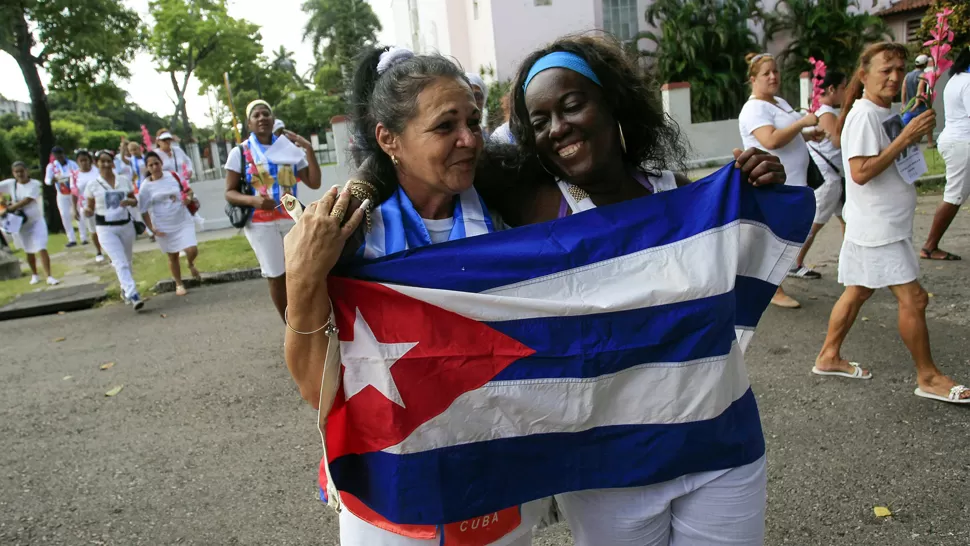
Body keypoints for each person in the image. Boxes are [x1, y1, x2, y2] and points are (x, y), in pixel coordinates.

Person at [501, 34, 780, 546]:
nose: (558, 128)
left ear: (612, 101)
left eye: (572, 104)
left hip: (720, 446)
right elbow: (418, 160)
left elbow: (743, 269)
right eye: (539, 122)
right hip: (609, 471)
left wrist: (763, 185)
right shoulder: (538, 208)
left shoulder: (680, 192)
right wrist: (358, 189)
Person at [284, 46, 549, 546]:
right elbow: (313, 388)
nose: (470, 140)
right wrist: (302, 278)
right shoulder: (349, 237)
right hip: (393, 490)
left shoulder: (508, 223)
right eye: (445, 126)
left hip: (496, 475)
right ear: (389, 139)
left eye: (473, 120)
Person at [813, 42, 970, 404]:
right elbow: (861, 171)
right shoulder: (865, 115)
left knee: (859, 290)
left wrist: (910, 126)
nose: (895, 76)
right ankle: (928, 377)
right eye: (886, 69)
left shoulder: (881, 111)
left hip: (878, 223)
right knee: (914, 299)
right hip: (878, 227)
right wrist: (906, 137)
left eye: (899, 69)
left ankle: (828, 355)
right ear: (864, 75)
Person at [224, 99, 322, 320]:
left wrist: (308, 149)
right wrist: (253, 201)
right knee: (276, 275)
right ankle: (290, 326)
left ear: (272, 118)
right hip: (261, 223)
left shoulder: (288, 148)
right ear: (249, 124)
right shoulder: (240, 153)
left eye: (265, 114)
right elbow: (229, 192)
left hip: (291, 218)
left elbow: (314, 182)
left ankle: (306, 319)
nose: (262, 118)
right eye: (256, 115)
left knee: (300, 271)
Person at [738, 52, 820, 306]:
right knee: (774, 237)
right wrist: (803, 123)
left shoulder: (778, 102)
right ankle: (773, 290)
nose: (773, 76)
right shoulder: (754, 109)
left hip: (793, 180)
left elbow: (786, 138)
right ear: (753, 79)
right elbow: (771, 140)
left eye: (775, 71)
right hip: (773, 182)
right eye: (766, 73)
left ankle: (760, 282)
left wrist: (808, 136)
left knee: (779, 235)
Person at [920, 47, 970, 261]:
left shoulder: (956, 79)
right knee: (954, 196)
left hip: (955, 140)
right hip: (963, 145)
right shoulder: (967, 81)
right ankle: (930, 246)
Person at [83, 150, 144, 311]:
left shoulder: (123, 180)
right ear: (97, 163)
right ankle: (134, 294)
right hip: (105, 227)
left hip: (125, 224)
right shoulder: (93, 185)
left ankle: (125, 289)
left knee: (127, 261)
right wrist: (87, 212)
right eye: (102, 161)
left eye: (108, 161)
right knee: (119, 261)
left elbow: (134, 199)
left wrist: (129, 201)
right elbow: (89, 207)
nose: (106, 164)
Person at [138, 151, 200, 296]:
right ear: (147, 168)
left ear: (161, 163)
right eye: (151, 165)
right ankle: (179, 283)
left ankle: (190, 263)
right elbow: (143, 210)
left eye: (156, 163)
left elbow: (188, 191)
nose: (155, 167)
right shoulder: (145, 187)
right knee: (173, 256)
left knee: (192, 249)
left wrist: (188, 199)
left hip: (182, 219)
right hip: (163, 224)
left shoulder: (173, 176)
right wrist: (152, 229)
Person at [802, 70, 848, 260]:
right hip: (827, 177)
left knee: (847, 219)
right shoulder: (827, 113)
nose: (846, 92)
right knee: (815, 223)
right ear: (831, 89)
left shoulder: (820, 111)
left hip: (831, 175)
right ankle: (794, 262)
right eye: (844, 88)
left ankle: (852, 259)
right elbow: (838, 141)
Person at [1, 162, 59, 285]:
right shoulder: (11, 184)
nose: (20, 174)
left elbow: (27, 200)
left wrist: (9, 209)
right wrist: (2, 202)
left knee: (41, 247)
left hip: (36, 221)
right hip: (21, 223)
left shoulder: (35, 184)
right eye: (16, 172)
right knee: (29, 250)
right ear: (13, 173)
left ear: (27, 171)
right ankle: (35, 274)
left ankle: (48, 276)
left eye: (22, 171)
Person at [43, 146, 81, 247]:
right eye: (56, 155)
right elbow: (47, 180)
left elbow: (78, 174)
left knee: (78, 212)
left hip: (73, 192)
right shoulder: (51, 166)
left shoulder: (71, 164)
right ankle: (71, 239)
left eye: (60, 154)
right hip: (61, 193)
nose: (59, 157)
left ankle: (83, 237)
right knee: (64, 215)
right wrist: (52, 180)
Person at [72, 150, 106, 263]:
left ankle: (109, 251)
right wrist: (75, 209)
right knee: (93, 229)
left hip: (101, 203)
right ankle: (99, 251)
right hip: (86, 206)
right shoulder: (75, 175)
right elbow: (74, 193)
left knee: (105, 228)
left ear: (90, 160)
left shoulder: (97, 171)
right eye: (81, 161)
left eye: (85, 160)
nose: (83, 163)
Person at [902, 54, 937, 148]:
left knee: (904, 127)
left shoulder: (907, 75)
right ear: (925, 64)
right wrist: (916, 104)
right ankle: (930, 143)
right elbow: (920, 89)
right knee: (928, 123)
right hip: (920, 106)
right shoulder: (923, 75)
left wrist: (903, 104)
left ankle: (909, 144)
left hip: (909, 106)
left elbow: (903, 89)